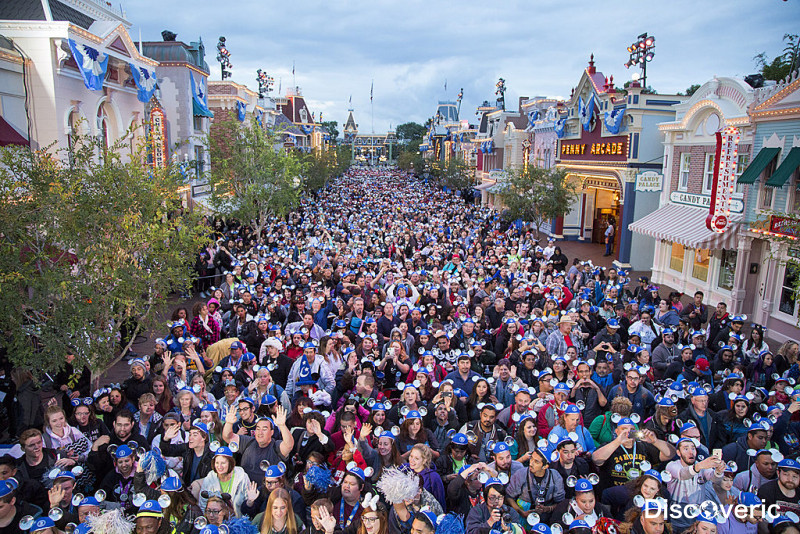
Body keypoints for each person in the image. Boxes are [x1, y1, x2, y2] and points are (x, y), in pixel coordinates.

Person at [222, 405, 295, 483]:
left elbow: (289, 445)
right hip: (246, 489)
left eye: (264, 429)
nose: (260, 432)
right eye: (258, 429)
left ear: (272, 432)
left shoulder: (276, 446)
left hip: (268, 490)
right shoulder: (248, 442)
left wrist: (282, 426)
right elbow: (228, 437)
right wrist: (229, 423)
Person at [198, 446, 251, 516]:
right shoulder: (210, 478)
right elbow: (203, 504)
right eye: (217, 463)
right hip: (215, 521)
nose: (219, 466)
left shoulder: (242, 477)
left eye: (223, 463)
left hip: (238, 522)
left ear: (230, 463)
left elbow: (248, 507)